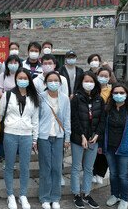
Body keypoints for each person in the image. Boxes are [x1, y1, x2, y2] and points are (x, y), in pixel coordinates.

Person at [0, 68, 39, 209]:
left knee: (25, 166)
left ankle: (23, 195)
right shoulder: (8, 95)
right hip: (10, 133)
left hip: (26, 135)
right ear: (16, 79)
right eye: (20, 78)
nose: (22, 80)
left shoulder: (33, 96)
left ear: (29, 80)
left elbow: (35, 120)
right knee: (9, 166)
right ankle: (10, 195)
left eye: (25, 78)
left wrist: (35, 139)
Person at [103, 84, 128, 209]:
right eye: (116, 93)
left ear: (126, 94)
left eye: (121, 93)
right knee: (113, 174)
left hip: (124, 149)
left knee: (123, 175)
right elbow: (103, 128)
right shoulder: (108, 110)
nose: (118, 95)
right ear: (112, 95)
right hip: (110, 148)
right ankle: (115, 195)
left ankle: (124, 199)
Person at [70, 71, 105, 209]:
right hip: (78, 138)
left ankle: (87, 193)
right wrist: (82, 136)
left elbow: (102, 119)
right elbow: (74, 118)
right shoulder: (76, 98)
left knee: (89, 168)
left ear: (95, 83)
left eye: (91, 81)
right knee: (76, 167)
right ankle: (76, 194)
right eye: (86, 81)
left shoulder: (99, 99)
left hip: (93, 139)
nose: (88, 83)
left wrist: (97, 134)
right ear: (81, 82)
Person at [38, 71, 71, 209]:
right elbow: (36, 118)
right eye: (50, 80)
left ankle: (55, 197)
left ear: (60, 83)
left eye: (56, 80)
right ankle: (45, 198)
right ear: (45, 83)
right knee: (45, 168)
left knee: (57, 168)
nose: (53, 83)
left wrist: (67, 137)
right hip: (44, 137)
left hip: (58, 137)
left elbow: (67, 118)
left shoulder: (64, 98)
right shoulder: (41, 97)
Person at [92, 67, 113, 184]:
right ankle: (93, 172)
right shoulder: (93, 89)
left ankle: (100, 173)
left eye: (106, 76)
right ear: (97, 76)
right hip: (94, 123)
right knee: (94, 150)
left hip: (107, 124)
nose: (103, 78)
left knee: (104, 150)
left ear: (110, 78)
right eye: (101, 75)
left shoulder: (111, 91)